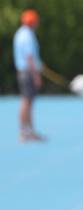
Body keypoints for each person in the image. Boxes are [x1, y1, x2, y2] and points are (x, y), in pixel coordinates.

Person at [13, 9, 45, 142]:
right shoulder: (27, 35)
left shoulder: (20, 33)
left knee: (28, 101)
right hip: (27, 72)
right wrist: (36, 75)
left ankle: (29, 131)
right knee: (27, 101)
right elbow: (30, 57)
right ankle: (24, 132)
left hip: (23, 71)